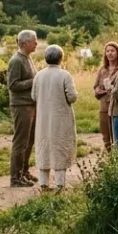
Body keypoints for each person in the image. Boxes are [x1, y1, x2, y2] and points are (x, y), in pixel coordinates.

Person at [31, 45, 78, 192]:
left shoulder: (39, 75)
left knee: (43, 147)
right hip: (60, 117)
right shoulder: (64, 75)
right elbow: (72, 96)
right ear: (60, 58)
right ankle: (59, 185)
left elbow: (33, 96)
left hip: (43, 118)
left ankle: (43, 184)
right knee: (60, 147)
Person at [7, 30, 38, 188]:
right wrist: (33, 81)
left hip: (31, 105)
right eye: (34, 41)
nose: (36, 44)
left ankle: (24, 172)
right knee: (20, 142)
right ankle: (15, 177)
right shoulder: (16, 61)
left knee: (29, 140)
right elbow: (12, 85)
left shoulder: (28, 58)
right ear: (25, 43)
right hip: (21, 106)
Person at [92, 42, 118, 152]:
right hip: (104, 106)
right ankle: (110, 158)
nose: (110, 53)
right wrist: (100, 91)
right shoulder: (102, 69)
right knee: (106, 135)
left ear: (117, 53)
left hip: (117, 106)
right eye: (107, 51)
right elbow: (95, 86)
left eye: (112, 51)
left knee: (117, 135)